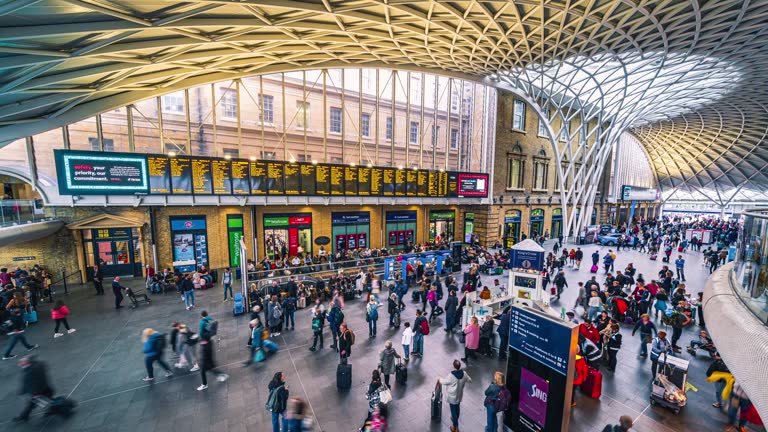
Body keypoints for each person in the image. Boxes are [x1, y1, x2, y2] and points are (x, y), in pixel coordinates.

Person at [12, 356, 54, 423]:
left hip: (38, 391)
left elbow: (32, 384)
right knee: (47, 400)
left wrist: (34, 394)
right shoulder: (38, 364)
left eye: (21, 363)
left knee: (32, 404)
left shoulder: (29, 372)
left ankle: (24, 416)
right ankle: (24, 416)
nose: (19, 365)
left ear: (25, 363)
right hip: (45, 387)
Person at [439, 359, 472, 432]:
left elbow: (444, 382)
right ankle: (455, 418)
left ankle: (455, 427)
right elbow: (470, 380)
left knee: (453, 410)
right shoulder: (464, 373)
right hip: (459, 394)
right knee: (457, 407)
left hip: (452, 396)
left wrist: (439, 379)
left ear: (454, 366)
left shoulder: (451, 375)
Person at [3, 293, 38, 360]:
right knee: (15, 340)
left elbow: (7, 308)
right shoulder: (23, 300)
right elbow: (27, 304)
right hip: (17, 326)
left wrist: (11, 310)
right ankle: (6, 354)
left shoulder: (13, 301)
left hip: (15, 323)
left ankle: (28, 347)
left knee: (21, 337)